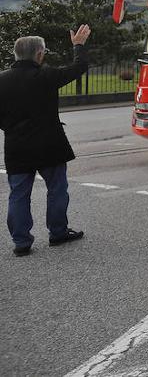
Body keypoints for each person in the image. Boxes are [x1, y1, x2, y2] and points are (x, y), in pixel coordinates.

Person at [0, 25, 91, 257]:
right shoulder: (47, 75)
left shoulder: (2, 80)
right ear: (39, 54)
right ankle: (58, 232)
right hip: (50, 144)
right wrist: (78, 45)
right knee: (57, 189)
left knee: (19, 194)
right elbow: (79, 67)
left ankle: (21, 242)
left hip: (17, 146)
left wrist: (10, 127)